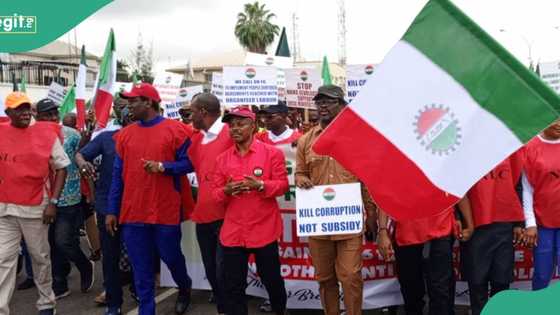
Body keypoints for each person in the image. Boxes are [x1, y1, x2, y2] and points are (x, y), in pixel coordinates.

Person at [106, 83, 194, 315]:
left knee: (171, 257)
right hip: (133, 211)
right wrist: (112, 210)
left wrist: (163, 167)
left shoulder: (176, 130)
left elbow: (190, 163)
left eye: (133, 101)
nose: (128, 105)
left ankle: (184, 286)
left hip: (165, 209)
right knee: (140, 266)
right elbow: (118, 175)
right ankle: (147, 309)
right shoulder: (124, 135)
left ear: (148, 102)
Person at [295, 85, 377, 315]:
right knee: (324, 277)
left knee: (350, 275)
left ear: (342, 106)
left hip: (348, 224)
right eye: (319, 102)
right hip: (319, 224)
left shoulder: (358, 139)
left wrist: (371, 215)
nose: (322, 106)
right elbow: (300, 172)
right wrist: (301, 179)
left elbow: (367, 180)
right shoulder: (305, 141)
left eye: (329, 101)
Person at [212, 107, 289, 315]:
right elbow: (215, 194)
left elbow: (283, 185)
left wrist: (262, 185)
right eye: (231, 125)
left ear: (253, 126)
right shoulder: (222, 159)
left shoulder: (272, 153)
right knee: (233, 285)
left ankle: (280, 310)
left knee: (271, 279)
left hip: (264, 228)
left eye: (240, 124)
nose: (234, 129)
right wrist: (226, 190)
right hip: (234, 231)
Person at [0, 92, 69, 315]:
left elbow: (61, 169)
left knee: (40, 257)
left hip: (35, 207)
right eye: (18, 109)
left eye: (27, 107)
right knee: (3, 259)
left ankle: (47, 303)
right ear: (8, 112)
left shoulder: (46, 133)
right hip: (5, 208)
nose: (24, 112)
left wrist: (54, 203)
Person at [76, 107, 133, 315]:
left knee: (139, 253)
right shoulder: (107, 138)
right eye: (129, 115)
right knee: (110, 255)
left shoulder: (148, 139)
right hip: (107, 207)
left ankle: (137, 288)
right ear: (123, 119)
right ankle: (113, 302)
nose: (132, 119)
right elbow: (81, 154)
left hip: (137, 207)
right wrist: (83, 164)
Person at [35, 98, 95, 299]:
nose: (52, 118)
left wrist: (87, 139)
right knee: (51, 243)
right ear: (38, 117)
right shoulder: (32, 136)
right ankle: (60, 283)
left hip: (69, 198)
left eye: (54, 113)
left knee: (63, 242)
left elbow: (84, 156)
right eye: (47, 115)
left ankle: (85, 265)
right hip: (42, 199)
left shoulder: (71, 135)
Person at [377, 200, 474, 315]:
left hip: (440, 227)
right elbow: (384, 193)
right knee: (411, 289)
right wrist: (382, 230)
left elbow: (457, 187)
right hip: (407, 230)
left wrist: (468, 221)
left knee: (440, 289)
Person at [462, 153, 525, 315]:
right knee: (477, 281)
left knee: (501, 281)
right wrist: (463, 222)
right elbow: (458, 190)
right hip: (476, 224)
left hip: (504, 224)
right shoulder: (466, 151)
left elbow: (517, 183)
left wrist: (519, 223)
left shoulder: (508, 148)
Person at [187, 93, 233, 314]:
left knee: (224, 269)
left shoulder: (230, 132)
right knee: (211, 267)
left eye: (192, 111)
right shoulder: (196, 138)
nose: (190, 116)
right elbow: (193, 168)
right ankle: (223, 305)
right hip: (204, 213)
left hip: (228, 214)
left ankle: (228, 307)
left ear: (203, 112)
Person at [521, 119, 560, 290]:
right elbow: (527, 189)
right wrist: (530, 223)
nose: (559, 124)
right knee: (542, 274)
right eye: (555, 119)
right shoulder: (530, 147)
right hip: (543, 224)